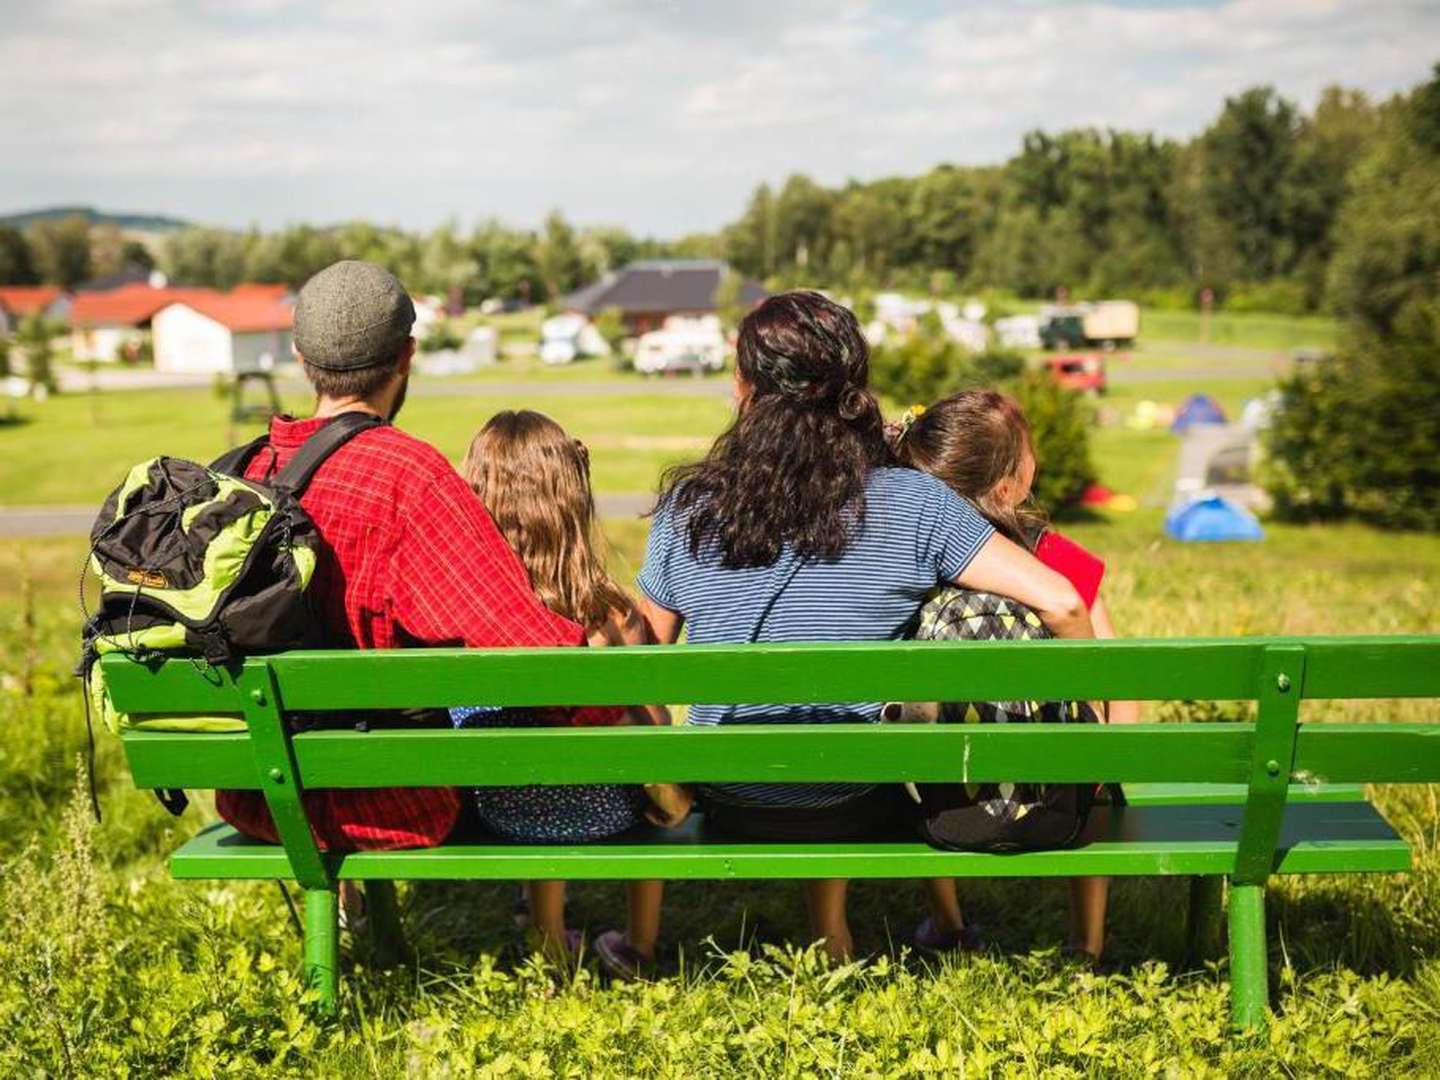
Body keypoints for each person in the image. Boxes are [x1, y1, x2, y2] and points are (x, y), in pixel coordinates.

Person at [635, 291, 1096, 961]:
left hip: (729, 794)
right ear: (854, 387)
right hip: (856, 795)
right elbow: (1065, 603)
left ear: (744, 387)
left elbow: (641, 661)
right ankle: (853, 929)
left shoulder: (691, 505)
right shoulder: (914, 503)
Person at [214, 261, 611, 879]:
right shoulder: (407, 476)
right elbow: (531, 651)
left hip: (255, 795)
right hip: (389, 803)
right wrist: (617, 725)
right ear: (408, 355)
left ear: (298, 356)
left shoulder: (241, 474)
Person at [891, 389, 1139, 961]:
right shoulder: (1053, 555)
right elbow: (1114, 664)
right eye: (1026, 450)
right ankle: (1087, 941)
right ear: (1009, 484)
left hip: (943, 802)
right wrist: (1110, 753)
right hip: (1064, 801)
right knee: (1089, 769)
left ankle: (948, 922)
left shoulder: (918, 555)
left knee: (916, 762)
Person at [457, 410, 691, 976]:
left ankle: (550, 945)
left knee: (530, 766)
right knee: (636, 763)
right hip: (608, 810)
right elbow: (653, 729)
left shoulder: (468, 611)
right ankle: (640, 944)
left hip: (496, 809)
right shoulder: (610, 614)